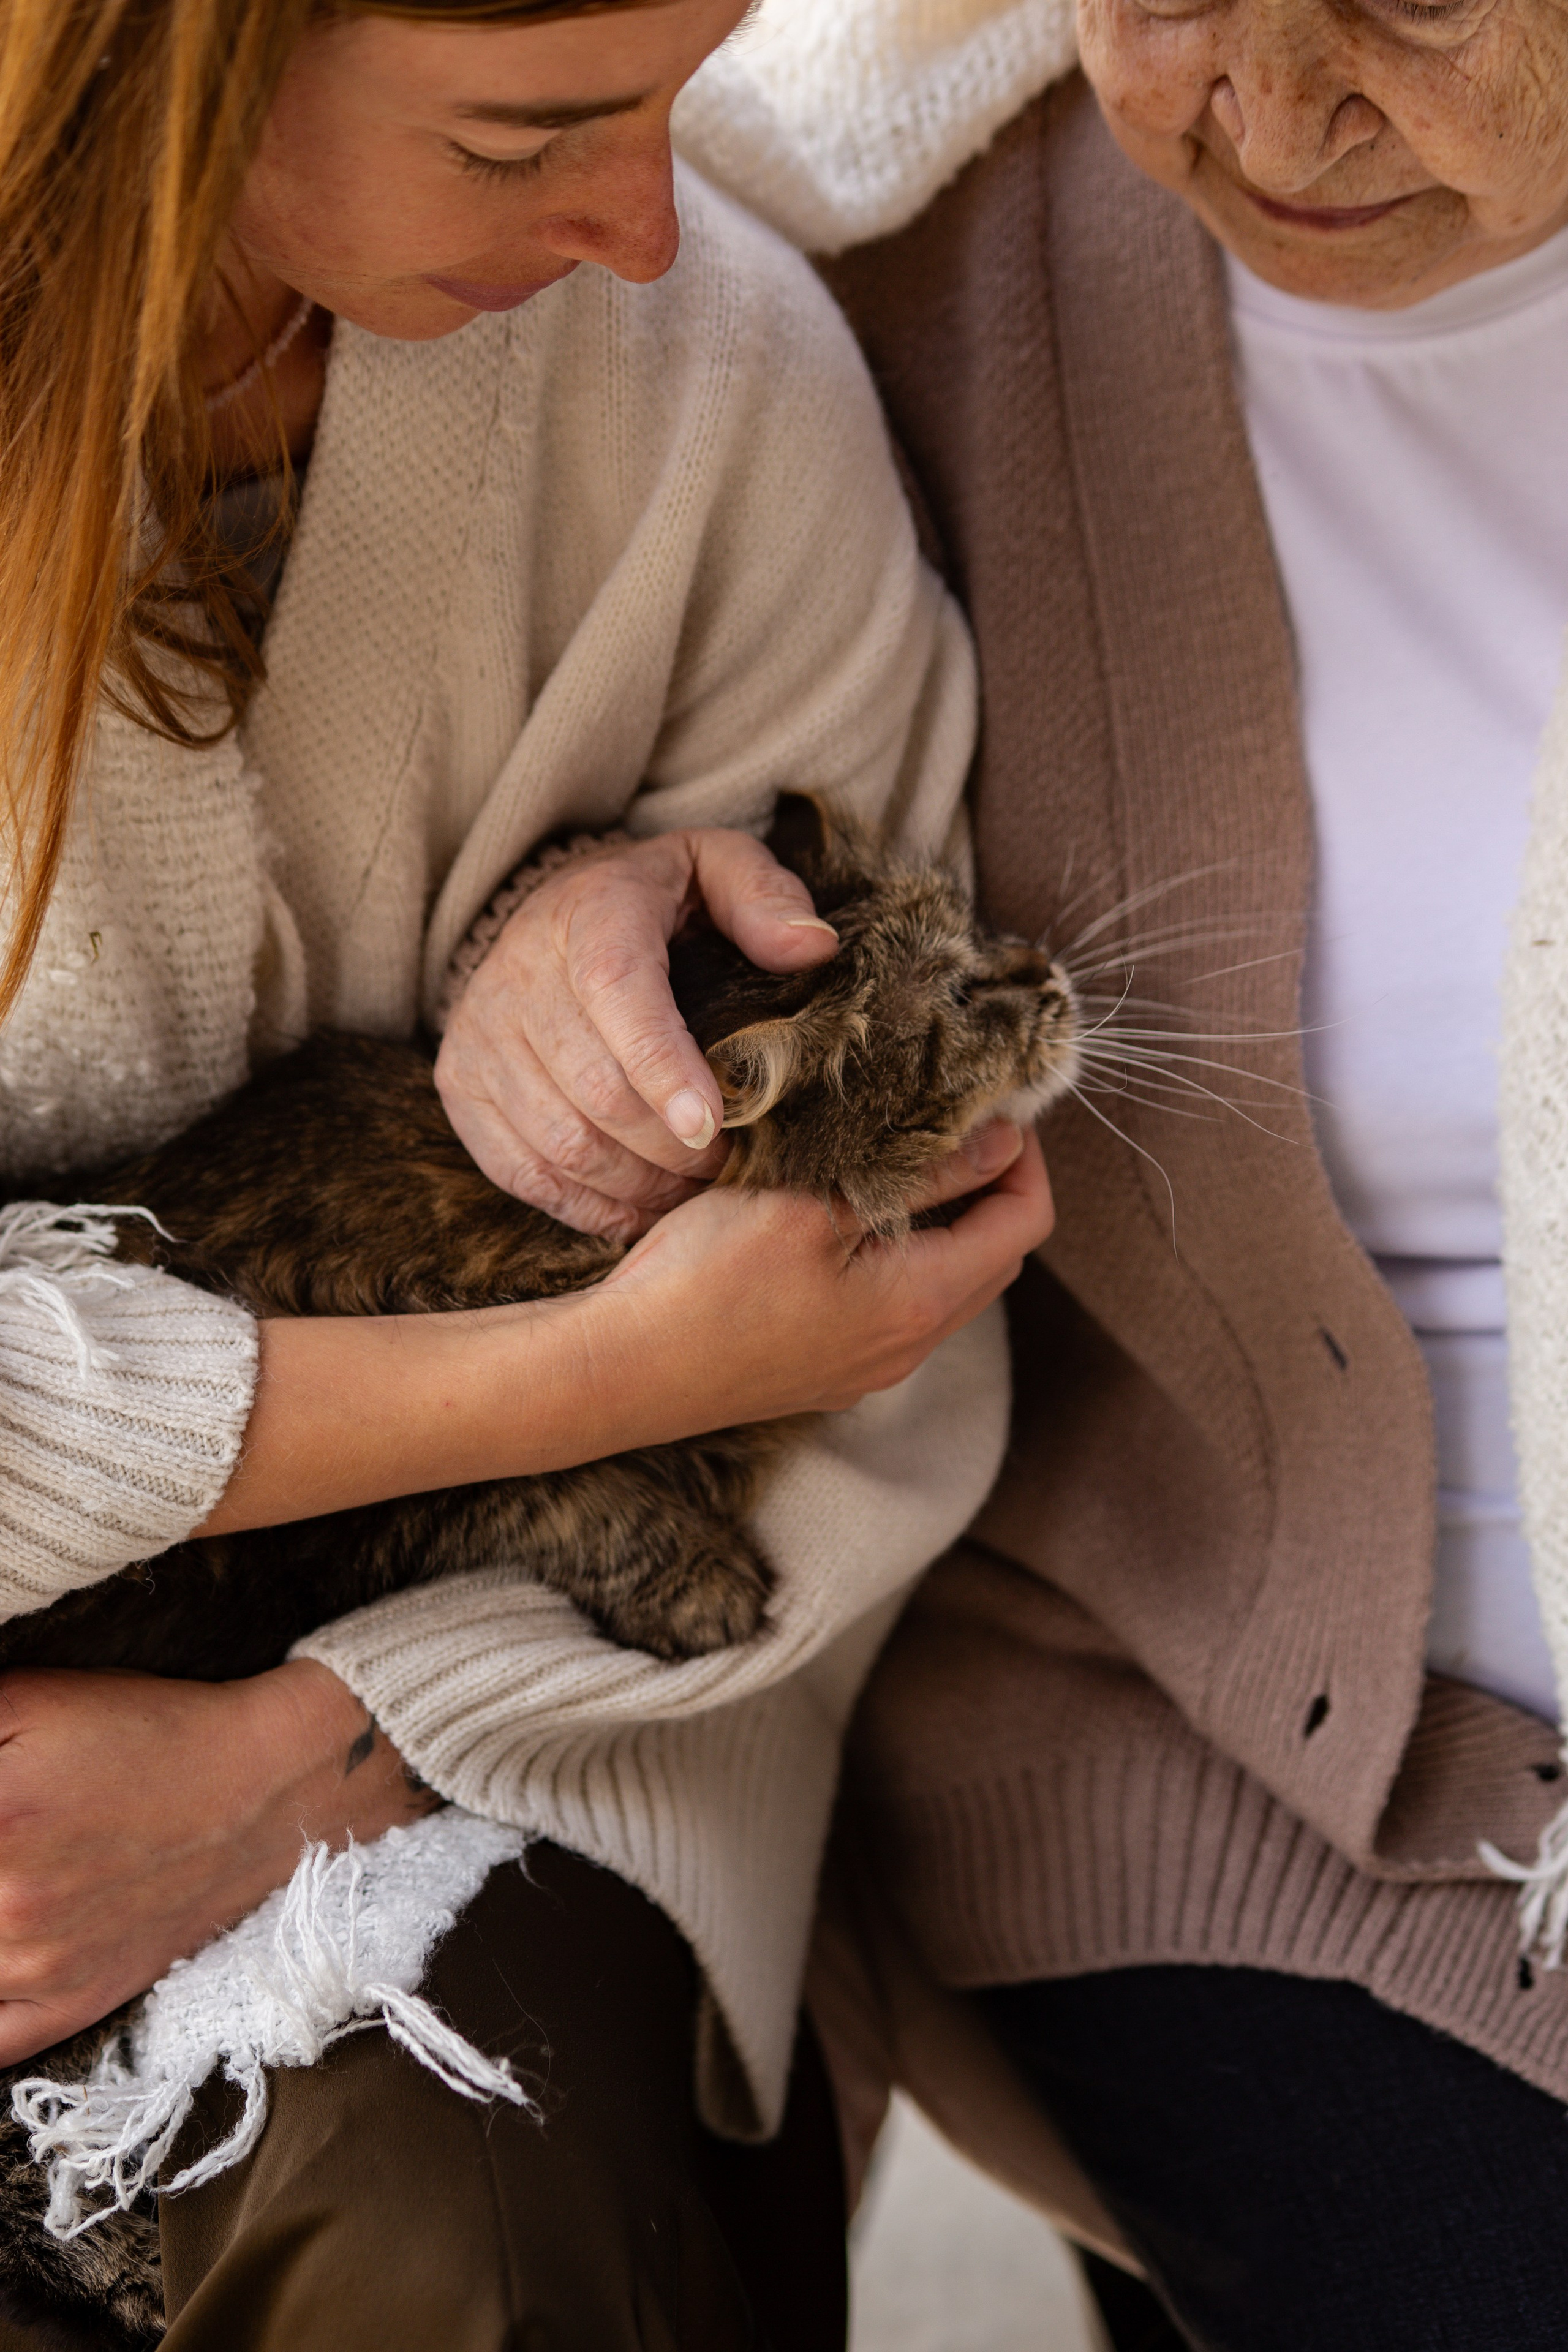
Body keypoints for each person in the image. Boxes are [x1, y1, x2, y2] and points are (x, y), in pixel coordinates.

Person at [0, 3, 1055, 2344]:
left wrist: (317, 1762)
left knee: (472, 2210)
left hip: (479, 1728)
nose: (655, 224)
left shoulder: (710, 385)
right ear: (148, 70)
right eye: (532, 136)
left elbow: (853, 1394)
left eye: (694, 85)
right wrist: (569, 1377)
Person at [518, 0, 1568, 2340]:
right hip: (1265, 1771)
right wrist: (567, 925)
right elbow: (493, 773)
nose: (1278, 119)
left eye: (1405, 6)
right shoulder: (840, 259)